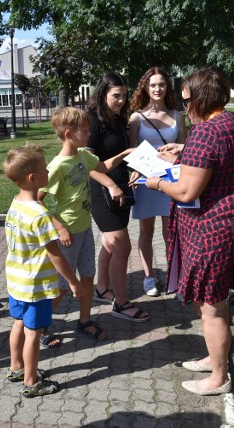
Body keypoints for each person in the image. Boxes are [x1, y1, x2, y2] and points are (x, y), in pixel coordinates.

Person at [146, 67, 234, 396]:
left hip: (211, 229)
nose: (184, 105)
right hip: (229, 222)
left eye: (187, 99)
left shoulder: (207, 132)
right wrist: (185, 150)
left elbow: (186, 192)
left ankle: (218, 378)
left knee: (211, 305)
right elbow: (214, 160)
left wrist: (155, 182)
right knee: (211, 301)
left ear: (202, 98)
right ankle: (214, 358)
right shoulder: (230, 124)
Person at [38, 107, 135, 344]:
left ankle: (85, 320)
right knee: (62, 287)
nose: (89, 133)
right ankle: (38, 327)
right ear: (69, 134)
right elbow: (36, 200)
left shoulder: (83, 155)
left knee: (87, 278)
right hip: (67, 235)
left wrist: (127, 153)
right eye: (84, 130)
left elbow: (103, 167)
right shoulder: (57, 166)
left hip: (84, 230)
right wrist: (59, 227)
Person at [2, 145, 84, 397]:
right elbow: (54, 253)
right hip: (34, 285)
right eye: (43, 168)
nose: (48, 170)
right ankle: (31, 381)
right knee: (32, 333)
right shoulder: (39, 214)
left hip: (15, 281)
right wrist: (72, 281)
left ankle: (15, 367)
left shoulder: (15, 204)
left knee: (17, 324)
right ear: (32, 178)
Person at [88, 71, 149, 322]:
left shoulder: (117, 119)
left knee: (109, 244)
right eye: (116, 96)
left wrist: (134, 170)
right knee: (122, 246)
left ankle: (102, 288)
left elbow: (123, 155)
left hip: (122, 189)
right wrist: (112, 184)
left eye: (124, 95)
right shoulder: (91, 121)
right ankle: (120, 303)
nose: (122, 100)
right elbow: (87, 165)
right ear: (103, 94)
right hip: (102, 191)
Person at [128, 67, 186, 297]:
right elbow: (131, 151)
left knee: (171, 231)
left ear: (167, 87)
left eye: (161, 84)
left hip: (170, 180)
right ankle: (149, 277)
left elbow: (186, 149)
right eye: (152, 85)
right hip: (145, 182)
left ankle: (175, 276)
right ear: (146, 87)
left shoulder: (177, 115)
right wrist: (133, 171)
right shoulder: (136, 117)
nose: (157, 88)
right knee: (146, 231)